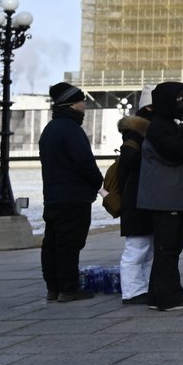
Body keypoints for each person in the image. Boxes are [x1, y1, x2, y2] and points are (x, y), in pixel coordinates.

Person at [137, 81, 183, 311]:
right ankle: (170, 297)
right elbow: (176, 152)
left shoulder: (166, 124)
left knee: (167, 249)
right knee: (169, 249)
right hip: (168, 198)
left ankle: (156, 296)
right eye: (178, 99)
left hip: (171, 196)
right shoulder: (161, 127)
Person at [38, 82, 105, 302]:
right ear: (71, 104)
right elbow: (84, 162)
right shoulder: (71, 129)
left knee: (52, 242)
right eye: (81, 101)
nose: (84, 105)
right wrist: (99, 183)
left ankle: (53, 288)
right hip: (73, 197)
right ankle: (68, 288)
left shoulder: (50, 129)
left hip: (53, 196)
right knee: (70, 244)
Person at [116, 90, 153, 305]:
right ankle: (132, 290)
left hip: (137, 196)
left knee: (143, 247)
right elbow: (130, 161)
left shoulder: (134, 134)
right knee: (137, 247)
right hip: (137, 197)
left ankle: (140, 288)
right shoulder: (137, 135)